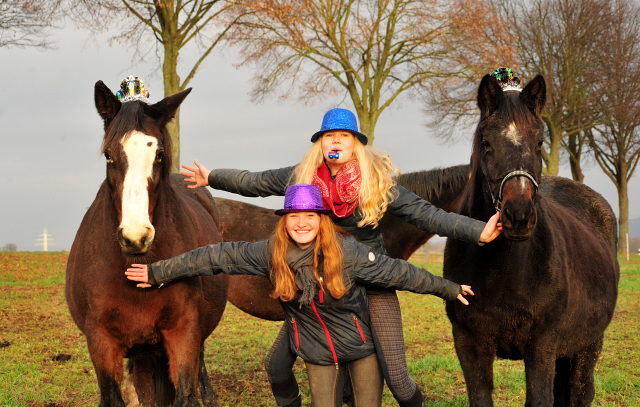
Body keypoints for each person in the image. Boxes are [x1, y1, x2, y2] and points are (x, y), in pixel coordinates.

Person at [180, 108, 502, 407]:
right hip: (322, 286)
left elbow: (427, 215)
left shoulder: (376, 182)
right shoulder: (304, 176)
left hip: (370, 280)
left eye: (344, 136)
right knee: (276, 365)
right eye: (329, 136)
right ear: (320, 142)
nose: (336, 141)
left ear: (355, 144)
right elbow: (256, 181)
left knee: (399, 381)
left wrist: (478, 231)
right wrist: (214, 177)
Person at [125, 184, 475, 407]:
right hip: (317, 352)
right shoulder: (268, 254)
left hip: (361, 349)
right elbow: (214, 256)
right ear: (285, 221)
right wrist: (157, 271)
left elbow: (401, 273)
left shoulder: (348, 253)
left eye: (310, 215)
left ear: (322, 220)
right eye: (295, 216)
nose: (302, 223)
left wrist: (449, 288)